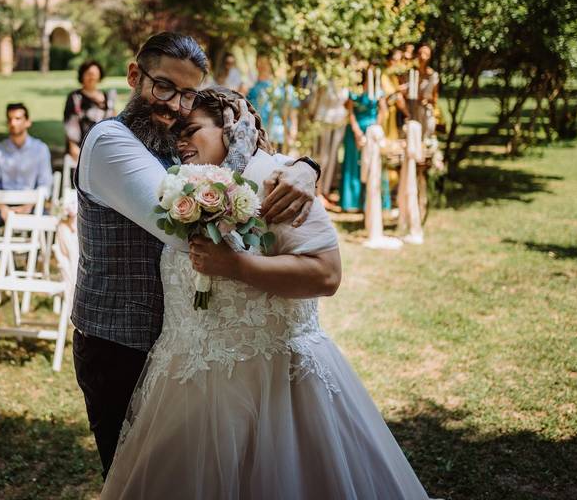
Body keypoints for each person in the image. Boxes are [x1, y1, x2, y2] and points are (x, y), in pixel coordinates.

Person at [101, 87, 429, 499]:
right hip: (186, 388)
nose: (179, 142)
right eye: (176, 133)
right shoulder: (181, 186)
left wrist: (239, 266)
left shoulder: (279, 179)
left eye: (192, 130)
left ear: (231, 127)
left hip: (276, 389)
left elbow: (326, 274)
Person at [72, 32, 320, 478]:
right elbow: (187, 228)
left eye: (188, 94)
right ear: (134, 75)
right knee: (136, 479)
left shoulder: (174, 140)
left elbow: (225, 164)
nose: (175, 106)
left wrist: (304, 167)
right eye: (164, 87)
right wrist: (247, 146)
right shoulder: (110, 142)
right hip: (118, 348)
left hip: (183, 347)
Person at [0, 102, 53, 233]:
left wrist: (27, 207)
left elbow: (45, 185)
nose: (13, 123)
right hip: (3, 206)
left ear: (28, 122)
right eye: (10, 119)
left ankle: (35, 254)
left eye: (18, 119)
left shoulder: (40, 149)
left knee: (45, 217)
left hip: (32, 206)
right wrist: (3, 208)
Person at [339, 70, 391, 212]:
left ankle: (375, 201)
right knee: (353, 165)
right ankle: (352, 202)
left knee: (373, 164)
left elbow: (383, 111)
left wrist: (375, 128)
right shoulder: (355, 91)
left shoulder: (378, 93)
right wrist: (357, 133)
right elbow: (349, 112)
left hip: (372, 132)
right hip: (354, 132)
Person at [64, 60, 117, 161]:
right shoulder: (75, 98)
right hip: (81, 147)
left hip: (104, 147)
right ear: (82, 76)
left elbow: (113, 122)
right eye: (88, 74)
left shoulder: (107, 98)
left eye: (95, 74)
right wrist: (72, 146)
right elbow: (70, 123)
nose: (92, 77)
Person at [246, 55, 299, 152]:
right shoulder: (252, 85)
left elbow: (292, 109)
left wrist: (293, 129)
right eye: (260, 63)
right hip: (256, 134)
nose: (262, 66)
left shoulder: (283, 87)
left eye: (265, 63)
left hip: (277, 134)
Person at [416, 43, 440, 138]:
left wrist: (431, 104)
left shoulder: (433, 75)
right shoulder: (411, 73)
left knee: (429, 129)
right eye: (421, 53)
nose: (423, 57)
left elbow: (435, 95)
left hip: (427, 108)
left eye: (426, 54)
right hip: (413, 108)